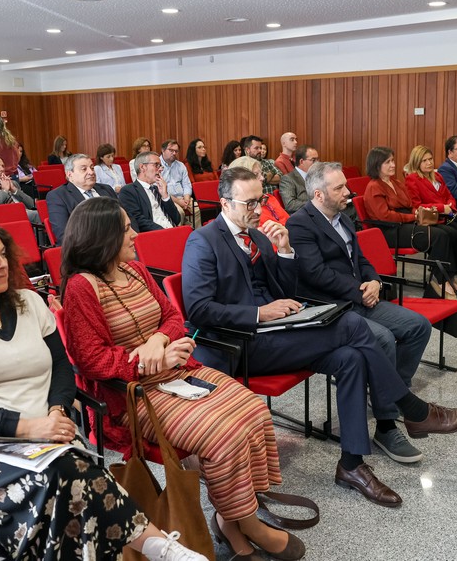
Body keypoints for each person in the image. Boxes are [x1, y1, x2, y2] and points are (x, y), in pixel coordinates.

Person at [181, 168, 457, 508]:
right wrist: (258, 314)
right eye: (248, 203)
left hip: (280, 333)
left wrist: (285, 251)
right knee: (352, 326)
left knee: (351, 358)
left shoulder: (260, 237)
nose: (257, 208)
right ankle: (412, 409)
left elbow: (287, 290)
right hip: (242, 343)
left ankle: (351, 465)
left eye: (261, 200)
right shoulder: (203, 240)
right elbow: (198, 309)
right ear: (224, 203)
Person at [0, 222, 207, 561]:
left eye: (3, 254)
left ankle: (160, 548)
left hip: (46, 438)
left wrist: (56, 411)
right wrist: (32, 427)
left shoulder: (29, 304)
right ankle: (159, 547)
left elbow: (62, 369)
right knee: (65, 476)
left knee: (63, 482)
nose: (3, 264)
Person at [61, 198, 303, 560]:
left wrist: (159, 341)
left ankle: (230, 518)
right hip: (134, 393)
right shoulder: (82, 287)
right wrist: (146, 363)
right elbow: (91, 360)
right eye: (126, 228)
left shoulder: (136, 271)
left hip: (177, 373)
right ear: (103, 237)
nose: (135, 233)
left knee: (254, 411)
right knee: (223, 435)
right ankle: (247, 523)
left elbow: (175, 318)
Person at [287, 162, 435, 464]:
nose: (347, 192)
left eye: (345, 185)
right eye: (339, 188)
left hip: (361, 296)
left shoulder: (345, 217)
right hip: (330, 305)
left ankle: (388, 388)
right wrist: (359, 290)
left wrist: (374, 282)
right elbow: (315, 274)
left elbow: (362, 259)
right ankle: (386, 423)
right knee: (382, 339)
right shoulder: (300, 224)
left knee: (418, 327)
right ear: (318, 194)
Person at [363, 147, 457, 299]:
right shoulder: (374, 187)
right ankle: (438, 284)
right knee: (439, 236)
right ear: (376, 164)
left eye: (392, 160)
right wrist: (413, 217)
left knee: (449, 232)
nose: (393, 165)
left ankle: (446, 278)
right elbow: (385, 217)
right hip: (388, 231)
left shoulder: (396, 182)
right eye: (388, 162)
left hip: (405, 223)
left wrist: (416, 213)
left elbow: (410, 205)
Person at [403, 146, 457, 294]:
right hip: (432, 219)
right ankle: (451, 276)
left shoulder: (437, 176)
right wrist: (442, 207)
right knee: (450, 234)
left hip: (448, 216)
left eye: (430, 159)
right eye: (424, 161)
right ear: (417, 162)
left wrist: (449, 205)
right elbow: (416, 206)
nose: (429, 163)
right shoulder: (413, 179)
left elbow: (450, 196)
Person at [46, 154, 119, 245]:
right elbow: (64, 234)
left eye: (92, 168)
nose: (91, 172)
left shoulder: (106, 189)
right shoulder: (58, 196)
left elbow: (123, 217)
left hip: (117, 241)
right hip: (87, 247)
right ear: (70, 174)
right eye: (84, 169)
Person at [119, 151, 181, 232]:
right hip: (154, 235)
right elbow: (138, 220)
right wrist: (165, 231)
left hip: (173, 231)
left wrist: (165, 196)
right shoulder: (129, 191)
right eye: (156, 165)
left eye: (161, 165)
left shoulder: (158, 189)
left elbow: (177, 219)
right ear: (142, 167)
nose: (161, 169)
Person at [229, 157, 289, 225]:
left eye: (261, 174)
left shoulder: (270, 198)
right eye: (256, 175)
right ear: (240, 180)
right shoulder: (244, 208)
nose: (262, 178)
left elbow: (289, 222)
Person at [0, 155, 40, 224]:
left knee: (41, 213)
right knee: (37, 215)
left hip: (24, 211)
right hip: (6, 217)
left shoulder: (13, 183)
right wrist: (4, 191)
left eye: (3, 166)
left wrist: (14, 190)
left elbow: (31, 204)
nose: (2, 169)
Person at [158, 140, 195, 223]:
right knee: (179, 213)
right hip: (167, 199)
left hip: (183, 197)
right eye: (171, 150)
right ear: (163, 150)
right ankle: (179, 234)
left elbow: (187, 184)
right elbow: (159, 189)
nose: (174, 153)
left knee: (196, 209)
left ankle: (195, 233)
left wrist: (186, 198)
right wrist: (178, 201)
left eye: (176, 151)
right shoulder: (157, 165)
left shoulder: (180, 165)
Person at [279, 145, 319, 213]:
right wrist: (316, 203)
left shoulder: (317, 176)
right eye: (313, 160)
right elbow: (290, 204)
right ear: (301, 162)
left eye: (318, 159)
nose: (317, 163)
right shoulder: (288, 179)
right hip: (302, 215)